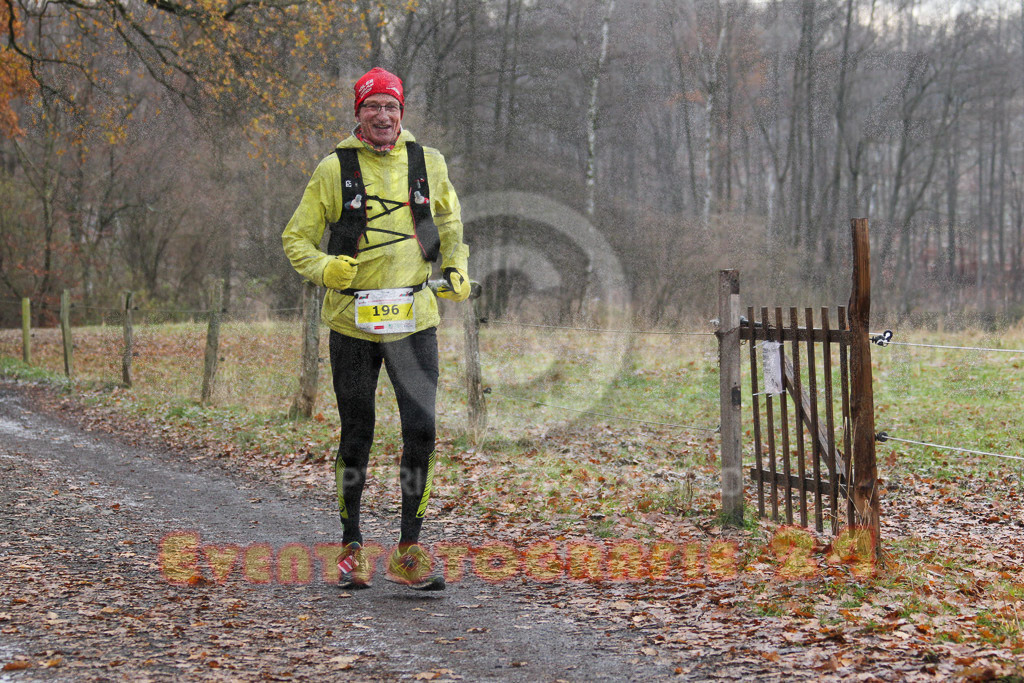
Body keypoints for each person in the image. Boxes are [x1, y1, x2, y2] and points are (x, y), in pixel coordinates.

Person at [282, 67, 470, 591]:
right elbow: (295, 239)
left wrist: (455, 268)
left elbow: (450, 225)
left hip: (414, 319)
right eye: (372, 107)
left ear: (401, 112)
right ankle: (351, 546)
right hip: (353, 322)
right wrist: (325, 269)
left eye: (391, 107)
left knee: (421, 431)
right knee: (358, 435)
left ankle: (409, 548)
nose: (383, 116)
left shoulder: (427, 162)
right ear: (358, 114)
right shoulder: (332, 169)